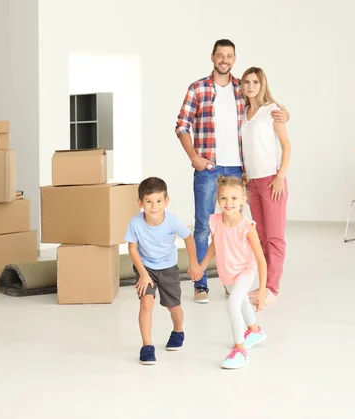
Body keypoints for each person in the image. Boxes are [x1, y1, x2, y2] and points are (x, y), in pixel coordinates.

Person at [175, 39, 289, 304]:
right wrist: (194, 157)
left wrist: (285, 116)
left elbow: (266, 107)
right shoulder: (198, 89)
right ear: (212, 57)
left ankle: (233, 280)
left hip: (238, 171)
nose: (224, 60)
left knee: (235, 227)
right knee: (204, 226)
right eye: (220, 55)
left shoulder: (242, 89)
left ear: (234, 59)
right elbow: (182, 125)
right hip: (209, 168)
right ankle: (201, 285)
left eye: (229, 56)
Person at [125, 177, 202, 365]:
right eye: (148, 202)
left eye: (159, 201)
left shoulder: (172, 221)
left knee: (173, 305)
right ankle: (147, 346)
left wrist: (194, 264)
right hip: (146, 268)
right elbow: (132, 249)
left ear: (166, 201)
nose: (154, 206)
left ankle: (178, 330)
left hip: (168, 268)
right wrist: (143, 273)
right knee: (146, 304)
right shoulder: (135, 223)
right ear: (140, 203)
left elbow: (189, 238)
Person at [198, 175, 267, 369]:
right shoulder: (216, 221)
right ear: (218, 200)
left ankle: (240, 351)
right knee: (242, 300)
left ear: (243, 200)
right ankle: (254, 330)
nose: (229, 203)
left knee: (233, 303)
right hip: (227, 270)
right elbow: (214, 245)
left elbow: (261, 260)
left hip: (245, 269)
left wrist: (261, 291)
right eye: (224, 198)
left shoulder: (247, 226)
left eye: (234, 198)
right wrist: (202, 266)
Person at [240, 67, 291, 304]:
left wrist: (280, 175)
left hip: (272, 181)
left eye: (255, 82)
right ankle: (262, 285)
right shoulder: (244, 113)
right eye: (247, 82)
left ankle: (273, 288)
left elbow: (286, 146)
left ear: (262, 85)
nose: (250, 86)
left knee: (274, 238)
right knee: (259, 238)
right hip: (252, 183)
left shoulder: (272, 111)